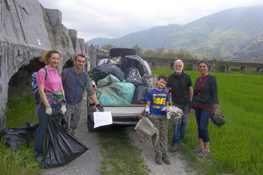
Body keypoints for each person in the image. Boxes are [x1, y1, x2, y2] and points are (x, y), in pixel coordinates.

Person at [34, 50, 67, 162]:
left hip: (57, 104)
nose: (55, 61)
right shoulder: (42, 72)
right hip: (46, 105)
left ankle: (53, 150)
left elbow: (61, 88)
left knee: (55, 128)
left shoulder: (57, 72)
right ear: (48, 58)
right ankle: (38, 153)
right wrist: (47, 106)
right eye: (53, 58)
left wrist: (63, 104)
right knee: (42, 129)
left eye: (57, 59)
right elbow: (41, 91)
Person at [61, 54, 103, 134]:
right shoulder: (66, 73)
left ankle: (68, 140)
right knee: (67, 127)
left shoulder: (85, 76)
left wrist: (97, 104)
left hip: (77, 106)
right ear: (74, 61)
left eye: (82, 62)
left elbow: (91, 91)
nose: (80, 63)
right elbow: (58, 87)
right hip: (67, 105)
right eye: (79, 61)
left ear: (84, 63)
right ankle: (67, 144)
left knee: (74, 125)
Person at [190, 60, 220, 158]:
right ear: (198, 68)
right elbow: (194, 94)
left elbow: (215, 94)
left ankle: (207, 150)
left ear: (207, 67)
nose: (202, 68)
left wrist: (217, 108)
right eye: (200, 66)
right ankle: (200, 145)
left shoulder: (211, 79)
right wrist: (192, 106)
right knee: (199, 126)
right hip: (197, 106)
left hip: (207, 107)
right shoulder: (198, 79)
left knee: (203, 127)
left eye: (204, 66)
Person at [165, 59, 193, 151]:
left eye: (179, 66)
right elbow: (167, 88)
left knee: (184, 122)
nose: (178, 67)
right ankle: (176, 142)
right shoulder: (171, 77)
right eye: (176, 66)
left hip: (186, 104)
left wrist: (192, 103)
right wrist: (165, 100)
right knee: (176, 123)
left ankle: (180, 139)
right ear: (174, 67)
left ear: (182, 67)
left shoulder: (187, 77)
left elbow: (190, 90)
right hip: (176, 104)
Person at [144, 74, 170, 165]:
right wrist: (147, 110)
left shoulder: (166, 94)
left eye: (164, 83)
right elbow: (147, 104)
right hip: (154, 116)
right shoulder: (151, 93)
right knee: (156, 135)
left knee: (164, 136)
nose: (162, 84)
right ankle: (158, 154)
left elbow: (167, 105)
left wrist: (170, 111)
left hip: (164, 117)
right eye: (161, 82)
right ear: (157, 81)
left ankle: (165, 154)